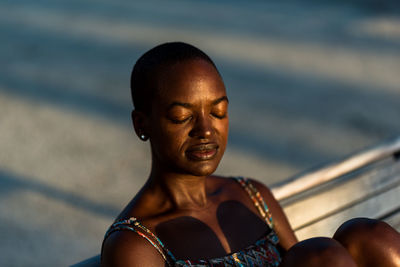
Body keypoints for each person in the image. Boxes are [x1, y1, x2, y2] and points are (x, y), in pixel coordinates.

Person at [101, 42, 400, 267]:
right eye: (182, 117)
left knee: (366, 235)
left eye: (218, 112)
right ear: (142, 123)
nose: (206, 130)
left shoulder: (251, 194)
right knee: (320, 255)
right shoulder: (135, 244)